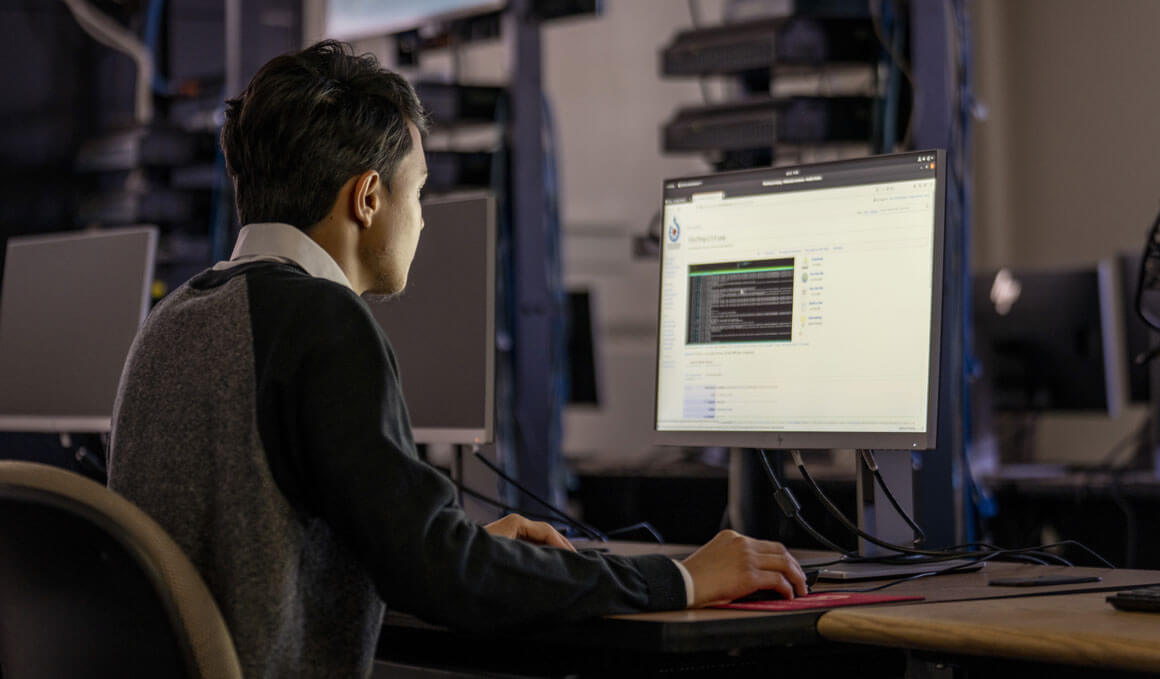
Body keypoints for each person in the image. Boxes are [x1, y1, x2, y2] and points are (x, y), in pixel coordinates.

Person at [108, 40, 806, 678]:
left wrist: (456, 541)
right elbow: (439, 577)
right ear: (369, 198)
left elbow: (301, 541)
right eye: (419, 192)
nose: (423, 218)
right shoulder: (321, 321)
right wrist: (680, 579)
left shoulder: (170, 319)